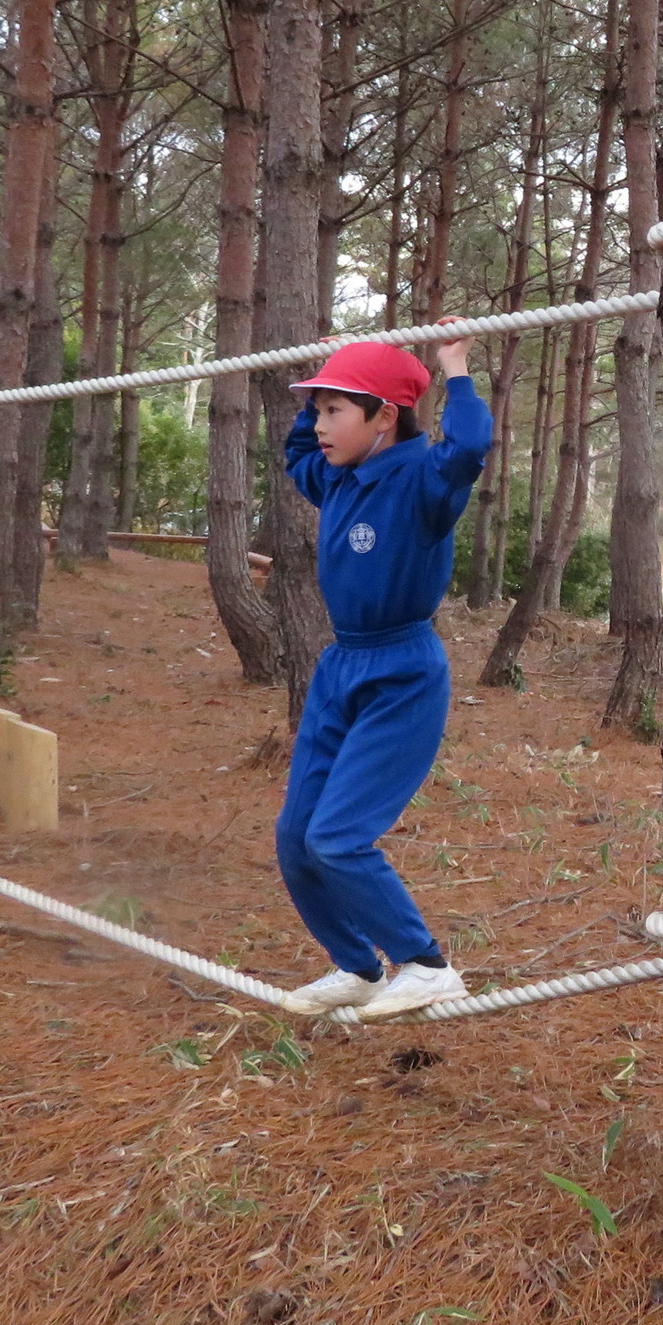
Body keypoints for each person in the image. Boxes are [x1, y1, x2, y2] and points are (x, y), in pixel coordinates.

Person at [271, 334, 493, 1021]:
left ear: (385, 417)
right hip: (341, 667)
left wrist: (454, 369)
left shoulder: (422, 480)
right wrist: (328, 370)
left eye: (334, 410)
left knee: (338, 837)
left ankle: (426, 965)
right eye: (317, 410)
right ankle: (359, 967)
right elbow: (296, 454)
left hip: (402, 671)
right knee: (296, 838)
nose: (318, 425)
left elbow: (468, 449)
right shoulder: (336, 475)